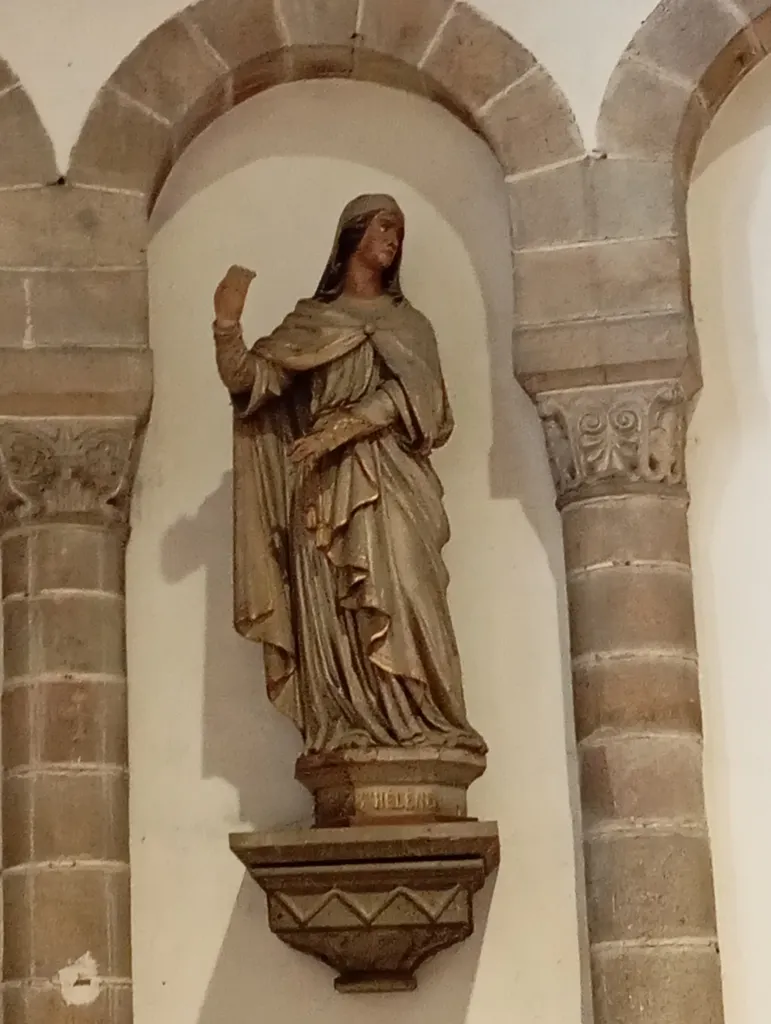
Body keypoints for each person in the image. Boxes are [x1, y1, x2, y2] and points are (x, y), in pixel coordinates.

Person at [212, 193, 485, 756]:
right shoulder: (312, 322)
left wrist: (346, 427)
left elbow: (427, 402)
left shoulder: (410, 324)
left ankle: (427, 721)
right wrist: (226, 322)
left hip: (394, 485)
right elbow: (250, 383)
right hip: (323, 496)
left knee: (408, 592)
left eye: (400, 232)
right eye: (385, 226)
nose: (393, 239)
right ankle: (347, 724)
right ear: (353, 235)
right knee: (338, 615)